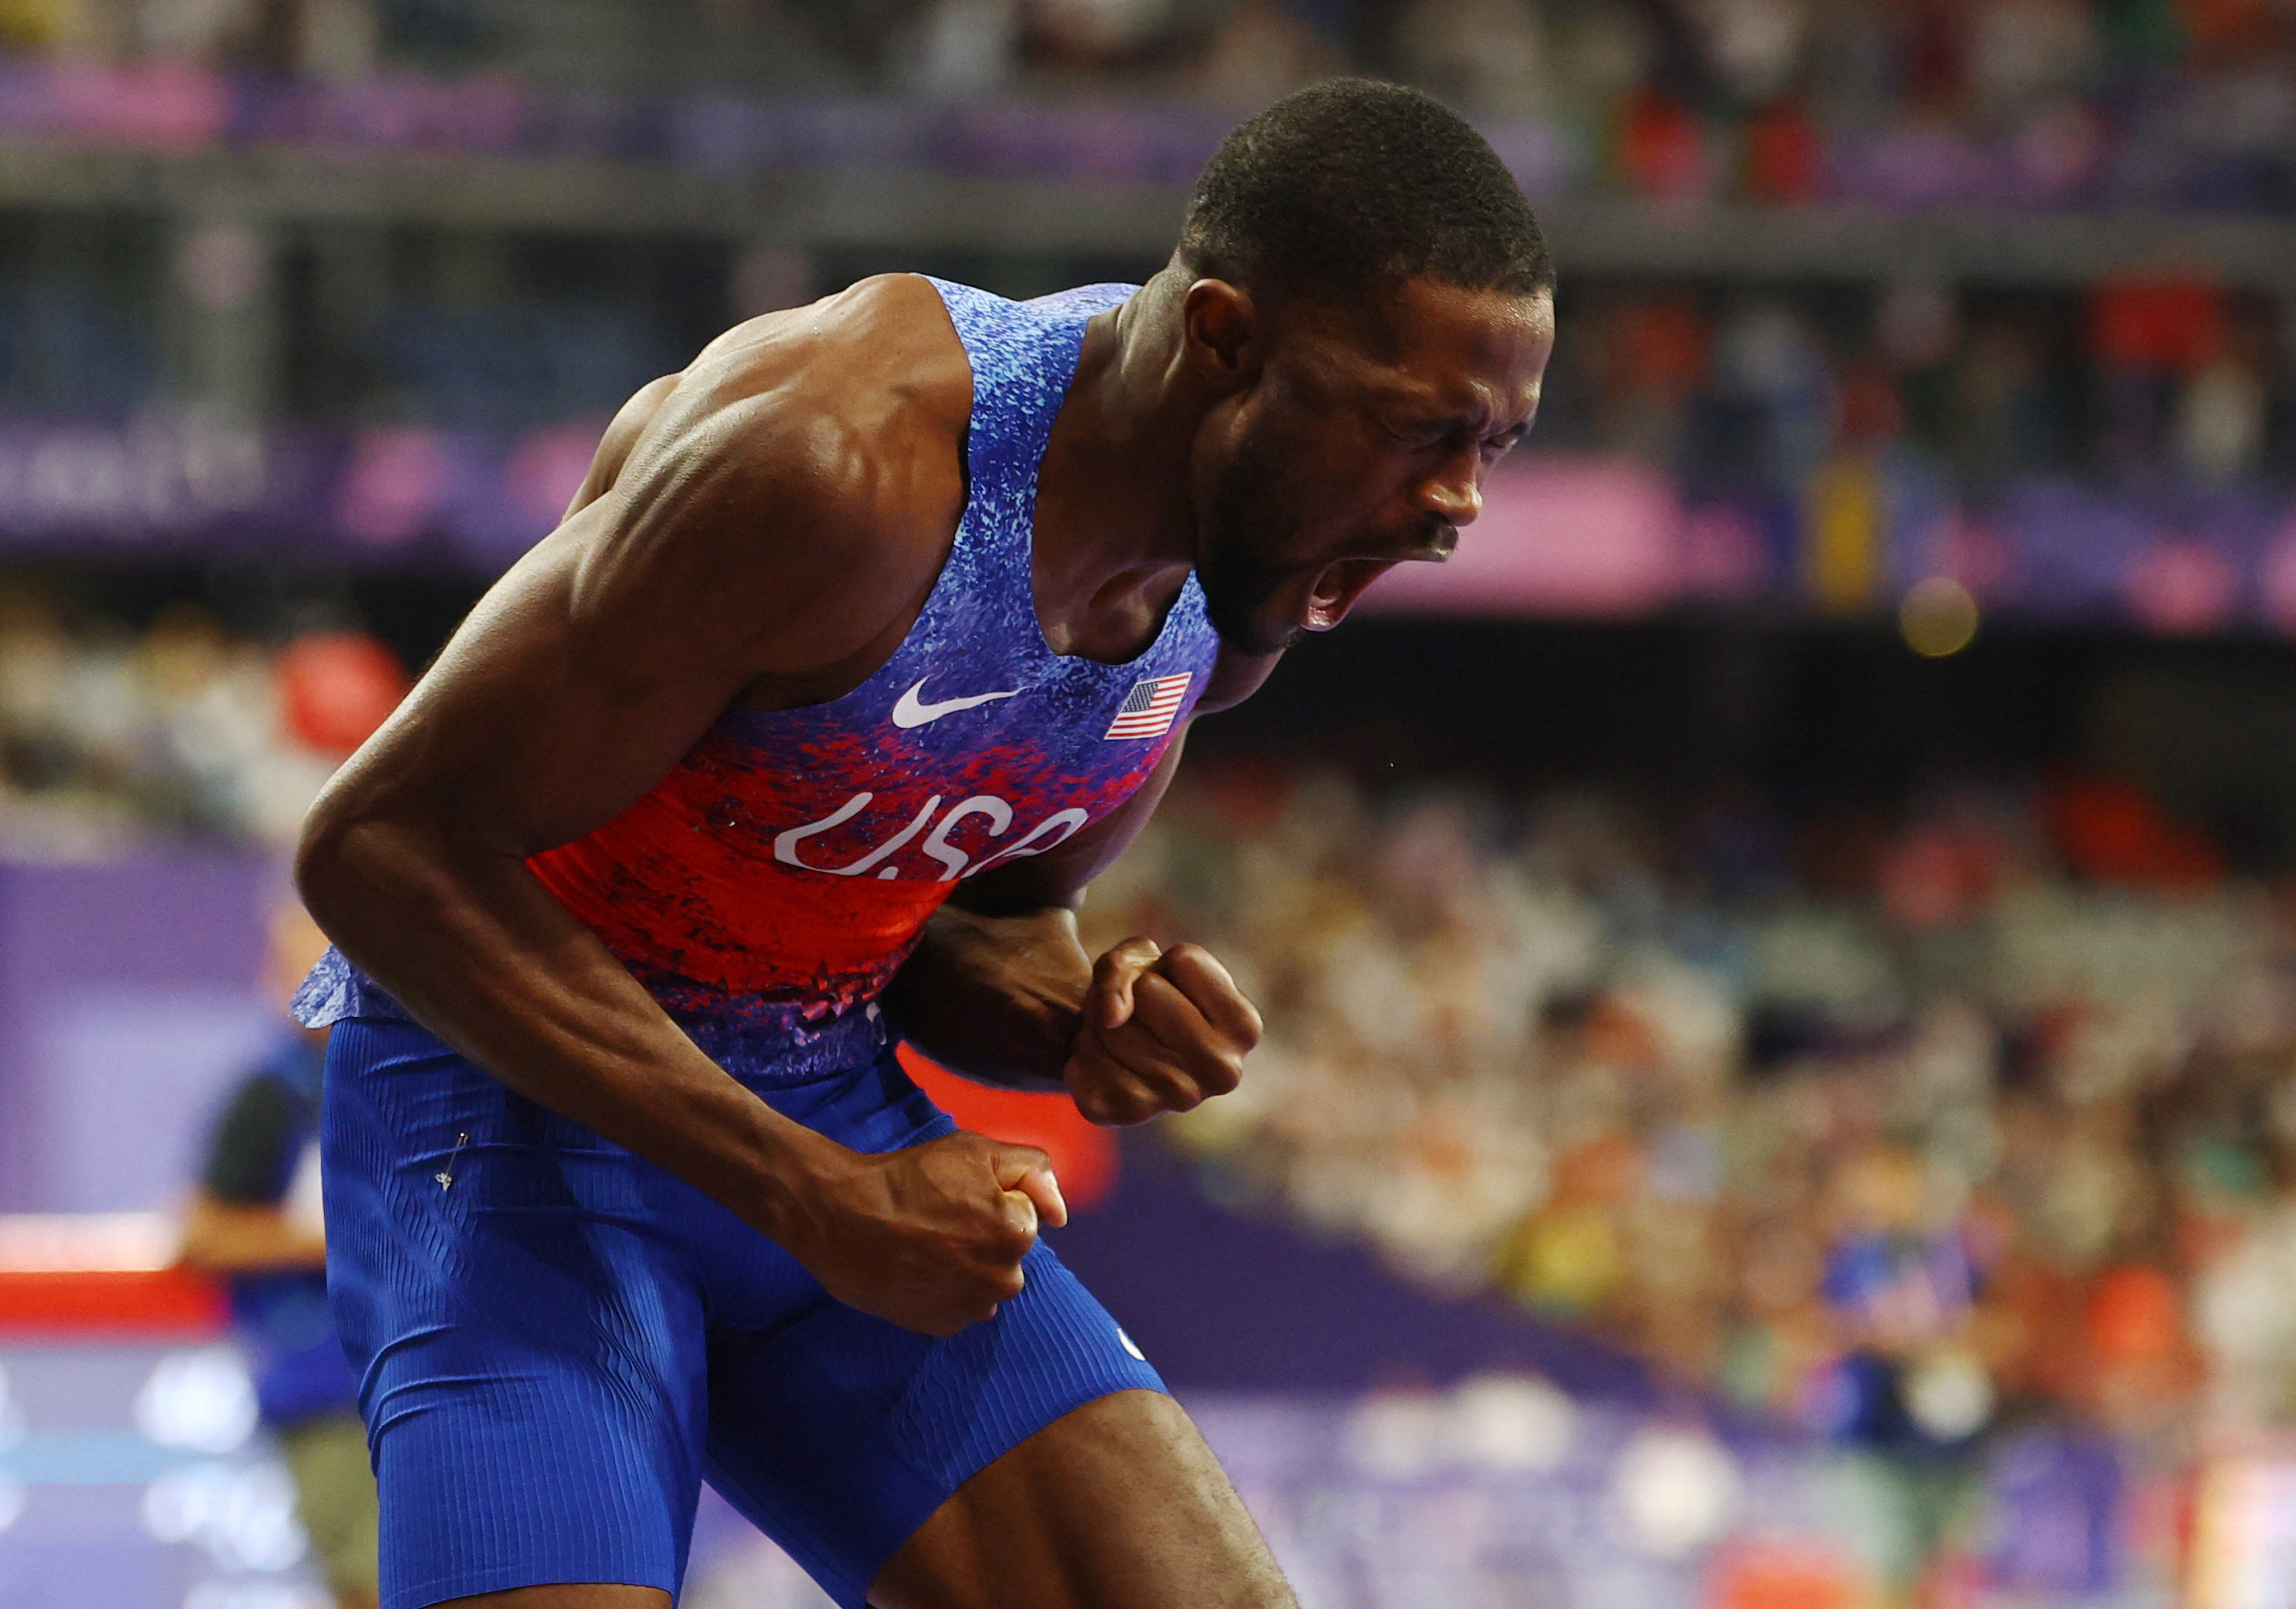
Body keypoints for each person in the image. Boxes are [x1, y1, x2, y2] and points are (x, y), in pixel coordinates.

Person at [290, 78, 1555, 1609]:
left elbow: (978, 921)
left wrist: (1079, 1017)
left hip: (821, 1120)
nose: (1455, 504)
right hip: (505, 1133)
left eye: (1492, 442)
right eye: (1420, 428)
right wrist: (803, 1189)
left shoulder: (1235, 588)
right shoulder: (836, 465)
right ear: (1222, 340)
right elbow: (381, 850)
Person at [180, 902, 379, 1609]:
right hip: (327, 1390)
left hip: (440, 1368)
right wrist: (345, 1237)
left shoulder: (416, 1073)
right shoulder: (272, 1094)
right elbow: (202, 1234)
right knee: (374, 1581)